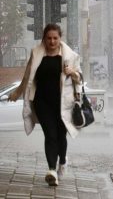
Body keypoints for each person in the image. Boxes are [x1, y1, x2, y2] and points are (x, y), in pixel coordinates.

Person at [8, 23, 82, 186]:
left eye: (55, 38)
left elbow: (80, 78)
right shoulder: (37, 54)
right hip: (42, 102)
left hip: (63, 103)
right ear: (44, 39)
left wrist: (72, 72)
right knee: (50, 135)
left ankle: (62, 161)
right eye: (49, 38)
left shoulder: (69, 56)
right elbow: (27, 77)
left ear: (59, 38)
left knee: (61, 136)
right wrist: (16, 93)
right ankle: (51, 171)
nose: (52, 41)